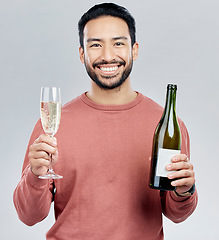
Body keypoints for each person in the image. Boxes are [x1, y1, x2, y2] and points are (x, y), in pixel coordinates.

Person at [13, 3, 198, 240]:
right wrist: (35, 176)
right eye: (96, 45)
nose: (108, 55)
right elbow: (29, 217)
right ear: (82, 53)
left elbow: (177, 214)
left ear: (135, 50)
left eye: (118, 43)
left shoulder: (166, 125)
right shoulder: (52, 125)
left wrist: (185, 190)